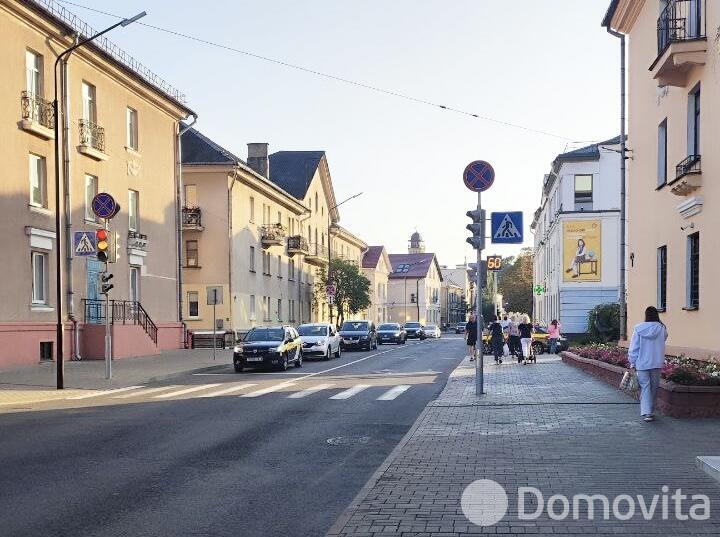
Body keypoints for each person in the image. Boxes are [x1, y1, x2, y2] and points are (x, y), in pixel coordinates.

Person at [628, 306, 668, 422]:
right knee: (654, 387)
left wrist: (632, 362)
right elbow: (664, 338)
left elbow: (634, 347)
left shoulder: (639, 328)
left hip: (642, 363)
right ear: (656, 315)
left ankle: (647, 413)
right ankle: (650, 410)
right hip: (656, 362)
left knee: (645, 387)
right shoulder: (662, 328)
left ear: (646, 315)